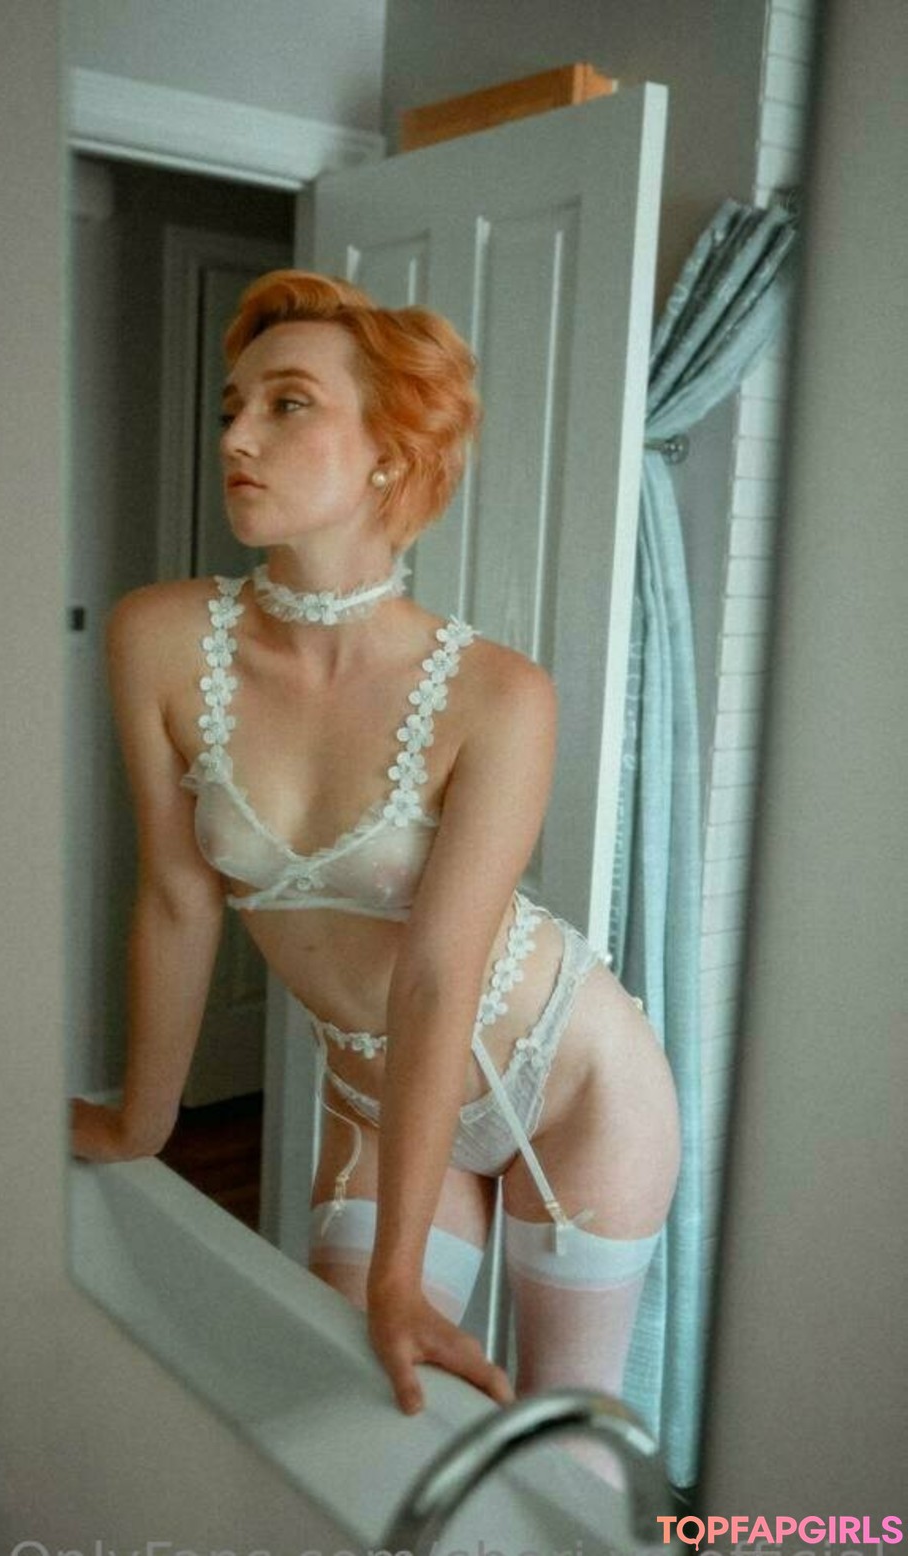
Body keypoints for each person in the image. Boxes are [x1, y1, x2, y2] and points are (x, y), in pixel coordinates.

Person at [71, 269, 680, 1426]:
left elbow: (439, 971)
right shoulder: (157, 637)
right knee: (353, 1415)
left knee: (563, 1435)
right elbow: (177, 899)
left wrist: (401, 1273)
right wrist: (141, 1123)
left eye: (288, 403)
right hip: (376, 1094)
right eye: (232, 406)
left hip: (573, 1086)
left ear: (389, 454)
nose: (236, 435)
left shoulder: (500, 694)